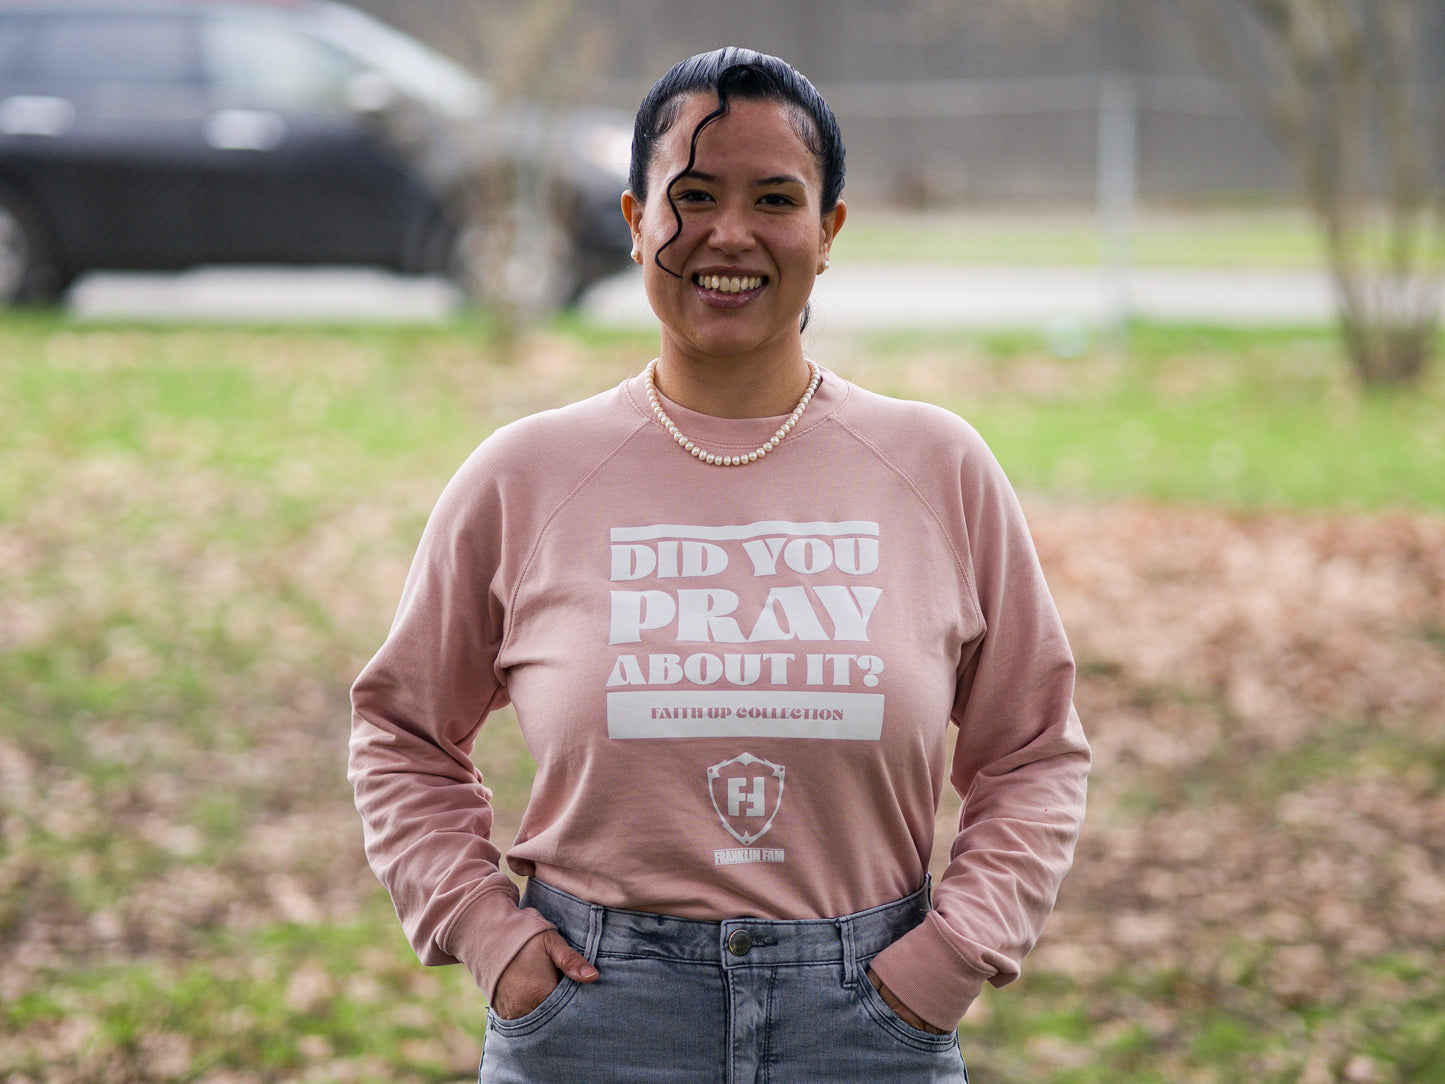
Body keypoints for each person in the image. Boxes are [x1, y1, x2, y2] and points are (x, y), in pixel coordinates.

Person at [349, 47, 1089, 1083]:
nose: (727, 235)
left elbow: (1031, 751)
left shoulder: (935, 466)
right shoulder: (525, 474)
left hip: (865, 1025)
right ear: (633, 220)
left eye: (773, 198)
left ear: (828, 231)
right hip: (594, 1023)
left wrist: (950, 957)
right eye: (690, 197)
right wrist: (488, 934)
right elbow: (401, 732)